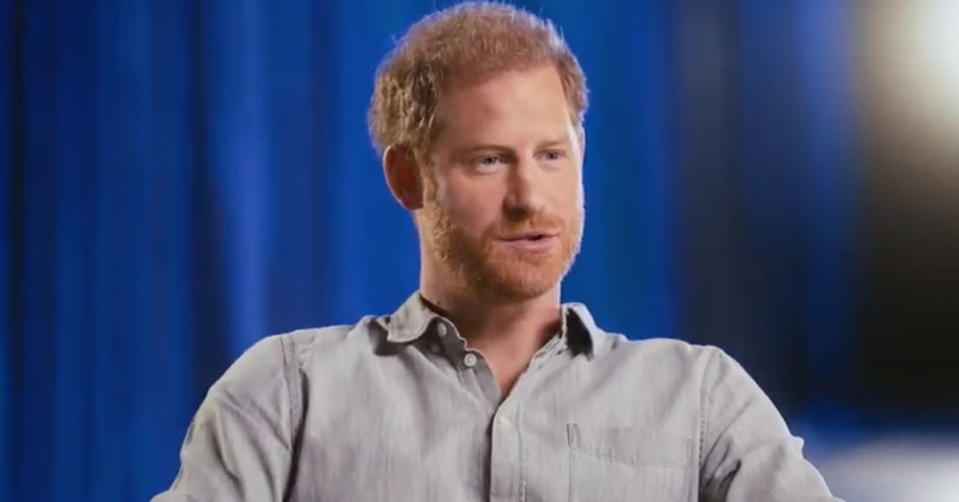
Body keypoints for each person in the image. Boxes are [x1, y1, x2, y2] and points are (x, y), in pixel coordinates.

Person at [154, 2, 841, 501]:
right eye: (488, 161)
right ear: (407, 177)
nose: (529, 197)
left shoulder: (700, 399)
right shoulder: (286, 396)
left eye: (550, 155)